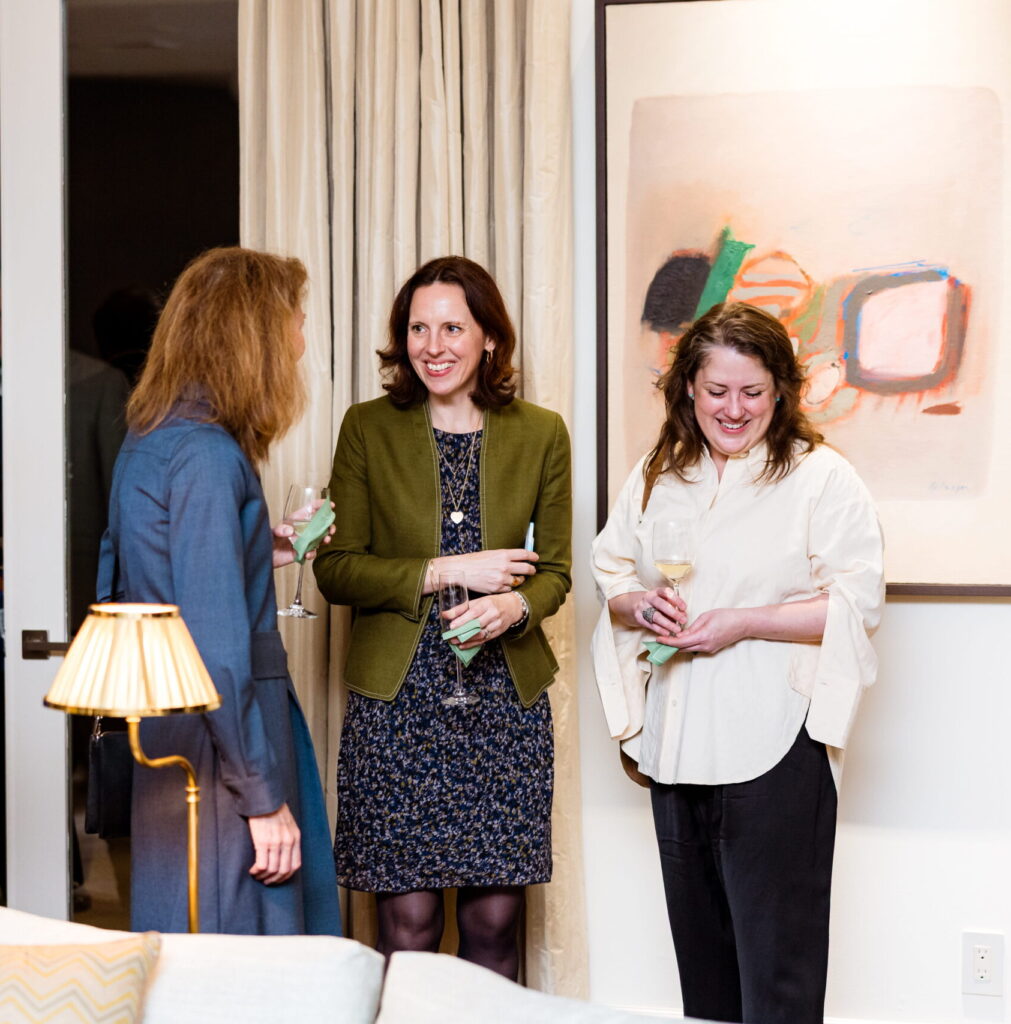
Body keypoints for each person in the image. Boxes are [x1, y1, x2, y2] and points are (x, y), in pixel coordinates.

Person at [591, 302, 883, 1024]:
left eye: (751, 392)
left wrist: (742, 623)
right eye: (716, 390)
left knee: (777, 975)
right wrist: (638, 606)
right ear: (687, 388)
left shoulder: (822, 478)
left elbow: (855, 606)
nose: (733, 408)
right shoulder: (660, 473)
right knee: (705, 978)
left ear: (780, 391)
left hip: (776, 748)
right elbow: (613, 574)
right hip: (675, 743)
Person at [314, 255, 571, 980]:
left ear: (489, 336)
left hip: (502, 707)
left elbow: (554, 574)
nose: (433, 345)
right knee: (410, 919)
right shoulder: (367, 427)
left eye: (452, 326)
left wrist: (513, 606)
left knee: (495, 920)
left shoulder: (541, 433)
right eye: (418, 327)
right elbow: (335, 570)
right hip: (398, 708)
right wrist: (449, 571)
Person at [97, 246, 341, 936]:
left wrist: (268, 548)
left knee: (186, 931)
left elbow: (146, 578)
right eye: (295, 321)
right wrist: (261, 797)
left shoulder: (150, 439)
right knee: (246, 951)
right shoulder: (207, 455)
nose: (299, 342)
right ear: (256, 336)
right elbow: (216, 648)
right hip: (228, 734)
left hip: (173, 722)